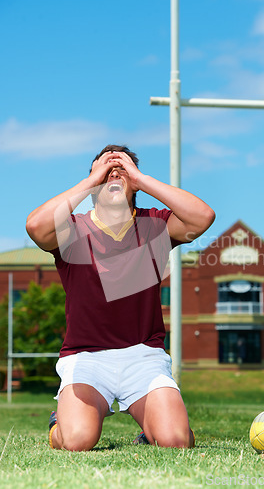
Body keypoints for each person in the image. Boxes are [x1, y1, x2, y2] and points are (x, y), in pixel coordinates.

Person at [26, 144, 215, 451]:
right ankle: (58, 422)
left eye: (121, 171)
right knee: (77, 441)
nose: (113, 174)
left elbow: (202, 217)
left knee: (175, 441)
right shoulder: (72, 229)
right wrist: (92, 180)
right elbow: (35, 226)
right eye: (104, 170)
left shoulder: (155, 225)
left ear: (135, 185)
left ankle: (152, 428)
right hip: (85, 358)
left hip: (143, 355)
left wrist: (140, 176)